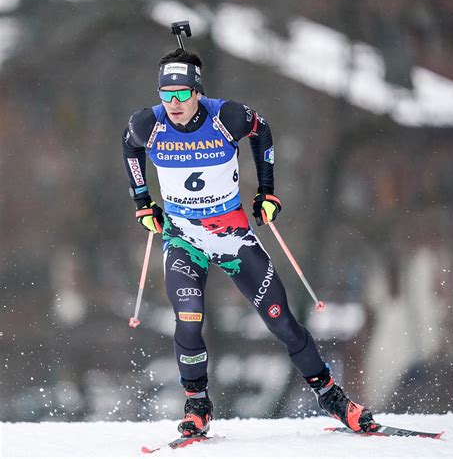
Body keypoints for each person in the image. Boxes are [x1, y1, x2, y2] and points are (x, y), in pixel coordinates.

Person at [122, 48, 378, 437]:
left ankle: (331, 396)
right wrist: (143, 202)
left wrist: (267, 191)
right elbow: (130, 148)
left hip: (233, 238)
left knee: (282, 320)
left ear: (197, 91)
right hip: (183, 238)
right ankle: (197, 405)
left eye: (181, 94)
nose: (173, 104)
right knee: (189, 317)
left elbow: (263, 131)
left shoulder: (227, 117)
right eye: (165, 94)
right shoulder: (148, 125)